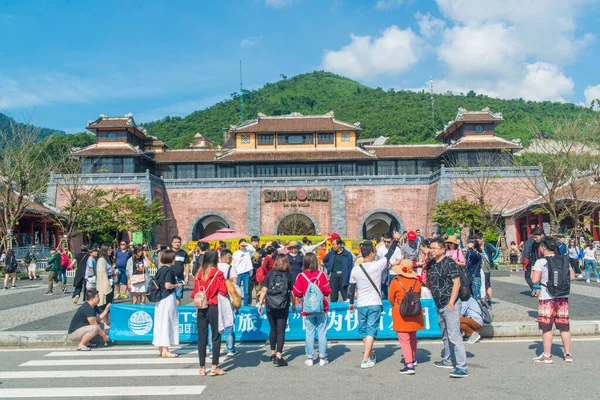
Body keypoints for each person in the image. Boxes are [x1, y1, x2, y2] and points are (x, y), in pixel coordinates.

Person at [348, 232, 401, 369]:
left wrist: (351, 303)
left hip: (361, 303)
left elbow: (351, 288)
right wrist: (395, 240)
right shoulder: (377, 266)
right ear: (372, 253)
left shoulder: (355, 270)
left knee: (363, 331)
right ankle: (365, 359)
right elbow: (390, 253)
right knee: (371, 330)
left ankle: (370, 354)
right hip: (375, 303)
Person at [427, 237, 468, 378]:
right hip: (439, 303)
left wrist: (451, 302)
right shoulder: (432, 263)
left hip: (450, 303)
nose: (431, 250)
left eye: (434, 248)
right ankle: (448, 360)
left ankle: (462, 367)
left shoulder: (449, 263)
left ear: (443, 249)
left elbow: (456, 283)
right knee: (445, 335)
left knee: (454, 335)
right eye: (430, 248)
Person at [531, 236, 575, 363]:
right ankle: (567, 354)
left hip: (546, 297)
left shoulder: (541, 262)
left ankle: (547, 356)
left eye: (540, 246)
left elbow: (535, 280)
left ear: (544, 247)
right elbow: (571, 277)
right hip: (562, 297)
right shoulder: (564, 260)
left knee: (547, 328)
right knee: (564, 327)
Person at [292, 252, 332, 367]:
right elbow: (327, 290)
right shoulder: (321, 275)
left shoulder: (301, 276)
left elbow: (297, 292)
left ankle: (310, 358)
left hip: (308, 308)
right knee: (322, 332)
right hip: (321, 307)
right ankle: (322, 358)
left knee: (309, 333)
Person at [192, 250, 228, 376]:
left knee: (202, 337)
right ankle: (214, 367)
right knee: (215, 336)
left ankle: (202, 367)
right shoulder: (218, 274)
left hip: (200, 307)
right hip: (213, 306)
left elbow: (194, 293)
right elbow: (223, 291)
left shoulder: (198, 274)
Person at [257, 255, 296, 367]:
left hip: (270, 305)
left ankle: (272, 353)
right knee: (281, 330)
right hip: (283, 306)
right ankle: (279, 356)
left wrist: (260, 304)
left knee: (273, 329)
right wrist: (293, 304)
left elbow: (264, 290)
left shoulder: (270, 274)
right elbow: (292, 293)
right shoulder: (289, 275)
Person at [388, 260, 424, 375]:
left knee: (404, 339)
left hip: (401, 313)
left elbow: (391, 299)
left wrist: (397, 305)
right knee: (412, 335)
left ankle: (409, 364)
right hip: (415, 312)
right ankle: (413, 358)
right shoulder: (416, 282)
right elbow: (419, 295)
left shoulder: (395, 282)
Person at [153, 250, 184, 359]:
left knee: (160, 322)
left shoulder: (160, 270)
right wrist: (177, 285)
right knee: (167, 322)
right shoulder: (169, 270)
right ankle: (166, 350)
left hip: (159, 299)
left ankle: (160, 348)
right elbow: (168, 285)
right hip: (167, 297)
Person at [323, 237, 354, 302]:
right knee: (333, 297)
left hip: (344, 277)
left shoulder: (347, 254)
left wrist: (351, 280)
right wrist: (329, 267)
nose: (333, 246)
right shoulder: (332, 253)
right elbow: (325, 260)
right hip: (334, 276)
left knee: (346, 297)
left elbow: (351, 268)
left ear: (339, 245)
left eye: (334, 245)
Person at [376, 232, 402, 298]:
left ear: (392, 240)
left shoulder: (397, 249)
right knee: (383, 290)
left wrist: (392, 264)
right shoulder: (380, 249)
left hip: (393, 272)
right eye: (385, 241)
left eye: (388, 242)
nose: (386, 243)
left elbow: (398, 260)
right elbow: (378, 260)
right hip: (383, 272)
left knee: (394, 290)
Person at [232, 238, 255, 306]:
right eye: (241, 244)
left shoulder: (248, 252)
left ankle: (245, 305)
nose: (243, 246)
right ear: (238, 245)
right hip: (238, 273)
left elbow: (253, 249)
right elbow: (233, 264)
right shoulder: (235, 253)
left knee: (246, 291)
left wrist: (246, 244)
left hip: (246, 273)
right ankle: (237, 304)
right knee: (237, 290)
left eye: (244, 244)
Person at [475, 233, 498, 301]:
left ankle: (489, 300)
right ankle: (482, 298)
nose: (477, 242)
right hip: (478, 266)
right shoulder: (476, 246)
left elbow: (497, 251)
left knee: (487, 283)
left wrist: (491, 259)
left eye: (478, 240)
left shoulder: (487, 245)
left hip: (486, 266)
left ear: (482, 239)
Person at [522, 227, 544, 296]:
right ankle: (537, 291)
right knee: (535, 279)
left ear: (542, 235)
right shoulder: (534, 244)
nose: (534, 239)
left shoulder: (548, 243)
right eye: (533, 237)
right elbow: (533, 258)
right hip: (538, 264)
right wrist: (532, 270)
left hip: (546, 265)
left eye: (536, 237)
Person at [170, 236, 190, 306]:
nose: (177, 244)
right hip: (169, 278)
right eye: (175, 242)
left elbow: (187, 265)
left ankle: (177, 312)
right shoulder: (168, 252)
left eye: (178, 242)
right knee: (169, 297)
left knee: (178, 297)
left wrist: (187, 277)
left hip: (180, 278)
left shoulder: (183, 253)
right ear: (172, 243)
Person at [96, 245, 114, 316]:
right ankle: (103, 320)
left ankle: (106, 319)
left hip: (110, 281)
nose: (111, 251)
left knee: (108, 302)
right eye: (109, 250)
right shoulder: (101, 260)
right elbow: (102, 273)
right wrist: (107, 285)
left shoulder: (107, 259)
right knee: (104, 303)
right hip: (104, 284)